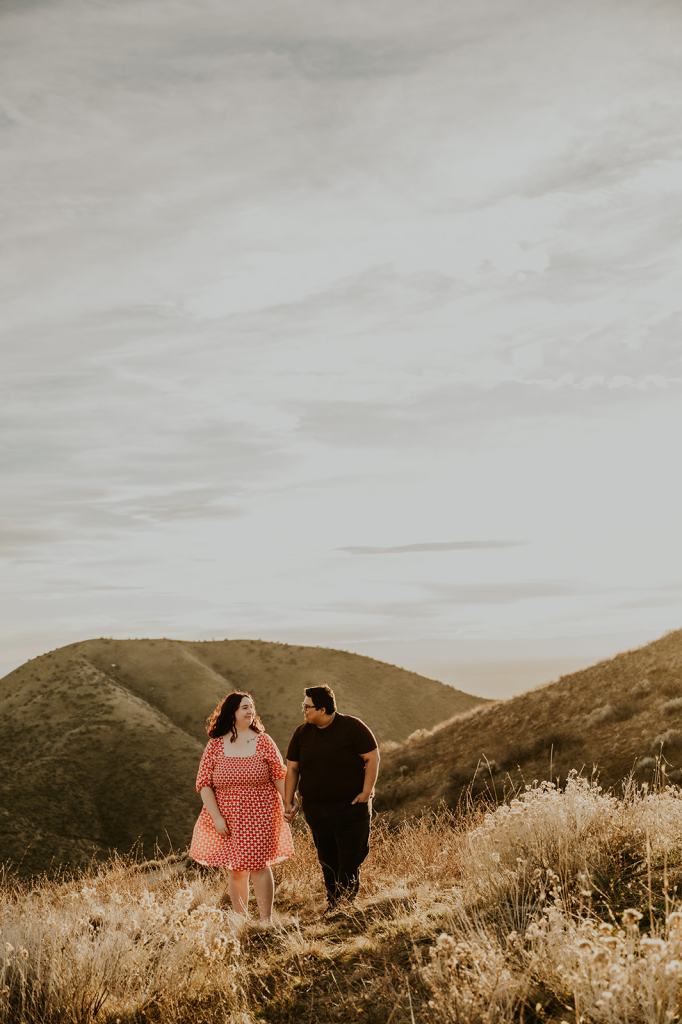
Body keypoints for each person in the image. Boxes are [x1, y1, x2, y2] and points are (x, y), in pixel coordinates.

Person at [189, 691, 293, 923]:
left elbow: (278, 775)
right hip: (227, 817)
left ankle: (265, 920)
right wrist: (217, 817)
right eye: (244, 707)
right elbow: (204, 783)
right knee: (236, 869)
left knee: (258, 865)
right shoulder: (216, 745)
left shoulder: (264, 741)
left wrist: (288, 803)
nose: (250, 711)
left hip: (262, 813)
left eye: (251, 706)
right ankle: (241, 920)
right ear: (232, 713)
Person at [284, 684, 379, 911]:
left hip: (351, 808)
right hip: (317, 811)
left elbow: (372, 758)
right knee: (327, 860)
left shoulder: (353, 728)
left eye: (308, 707)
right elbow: (293, 769)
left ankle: (345, 904)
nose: (304, 711)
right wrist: (289, 800)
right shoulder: (302, 733)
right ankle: (335, 903)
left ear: (324, 709)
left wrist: (366, 792)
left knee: (350, 858)